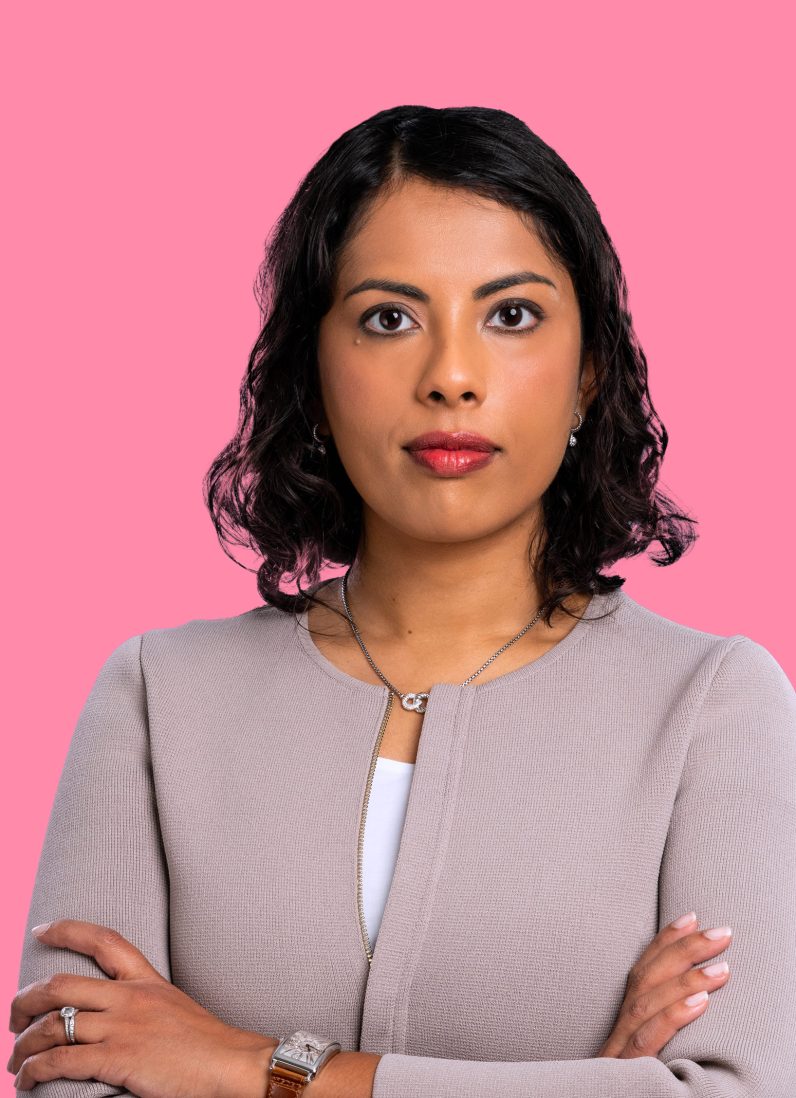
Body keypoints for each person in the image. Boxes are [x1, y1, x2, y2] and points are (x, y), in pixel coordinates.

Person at [8, 105, 796, 1098]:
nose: (450, 378)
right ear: (316, 368)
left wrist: (253, 1068)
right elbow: (72, 1068)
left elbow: (732, 1093)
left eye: (510, 315)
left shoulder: (711, 704)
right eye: (389, 319)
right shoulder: (157, 697)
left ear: (590, 370)